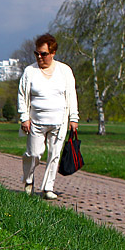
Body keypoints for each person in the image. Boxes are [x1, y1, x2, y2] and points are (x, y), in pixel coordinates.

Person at [18, 33, 79, 200]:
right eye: (36, 53)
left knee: (54, 155)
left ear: (52, 53)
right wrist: (24, 117)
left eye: (43, 54)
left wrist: (73, 118)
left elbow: (71, 95)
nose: (39, 57)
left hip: (59, 122)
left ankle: (48, 188)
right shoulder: (30, 71)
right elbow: (22, 96)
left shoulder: (64, 71)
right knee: (34, 154)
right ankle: (29, 181)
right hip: (36, 122)